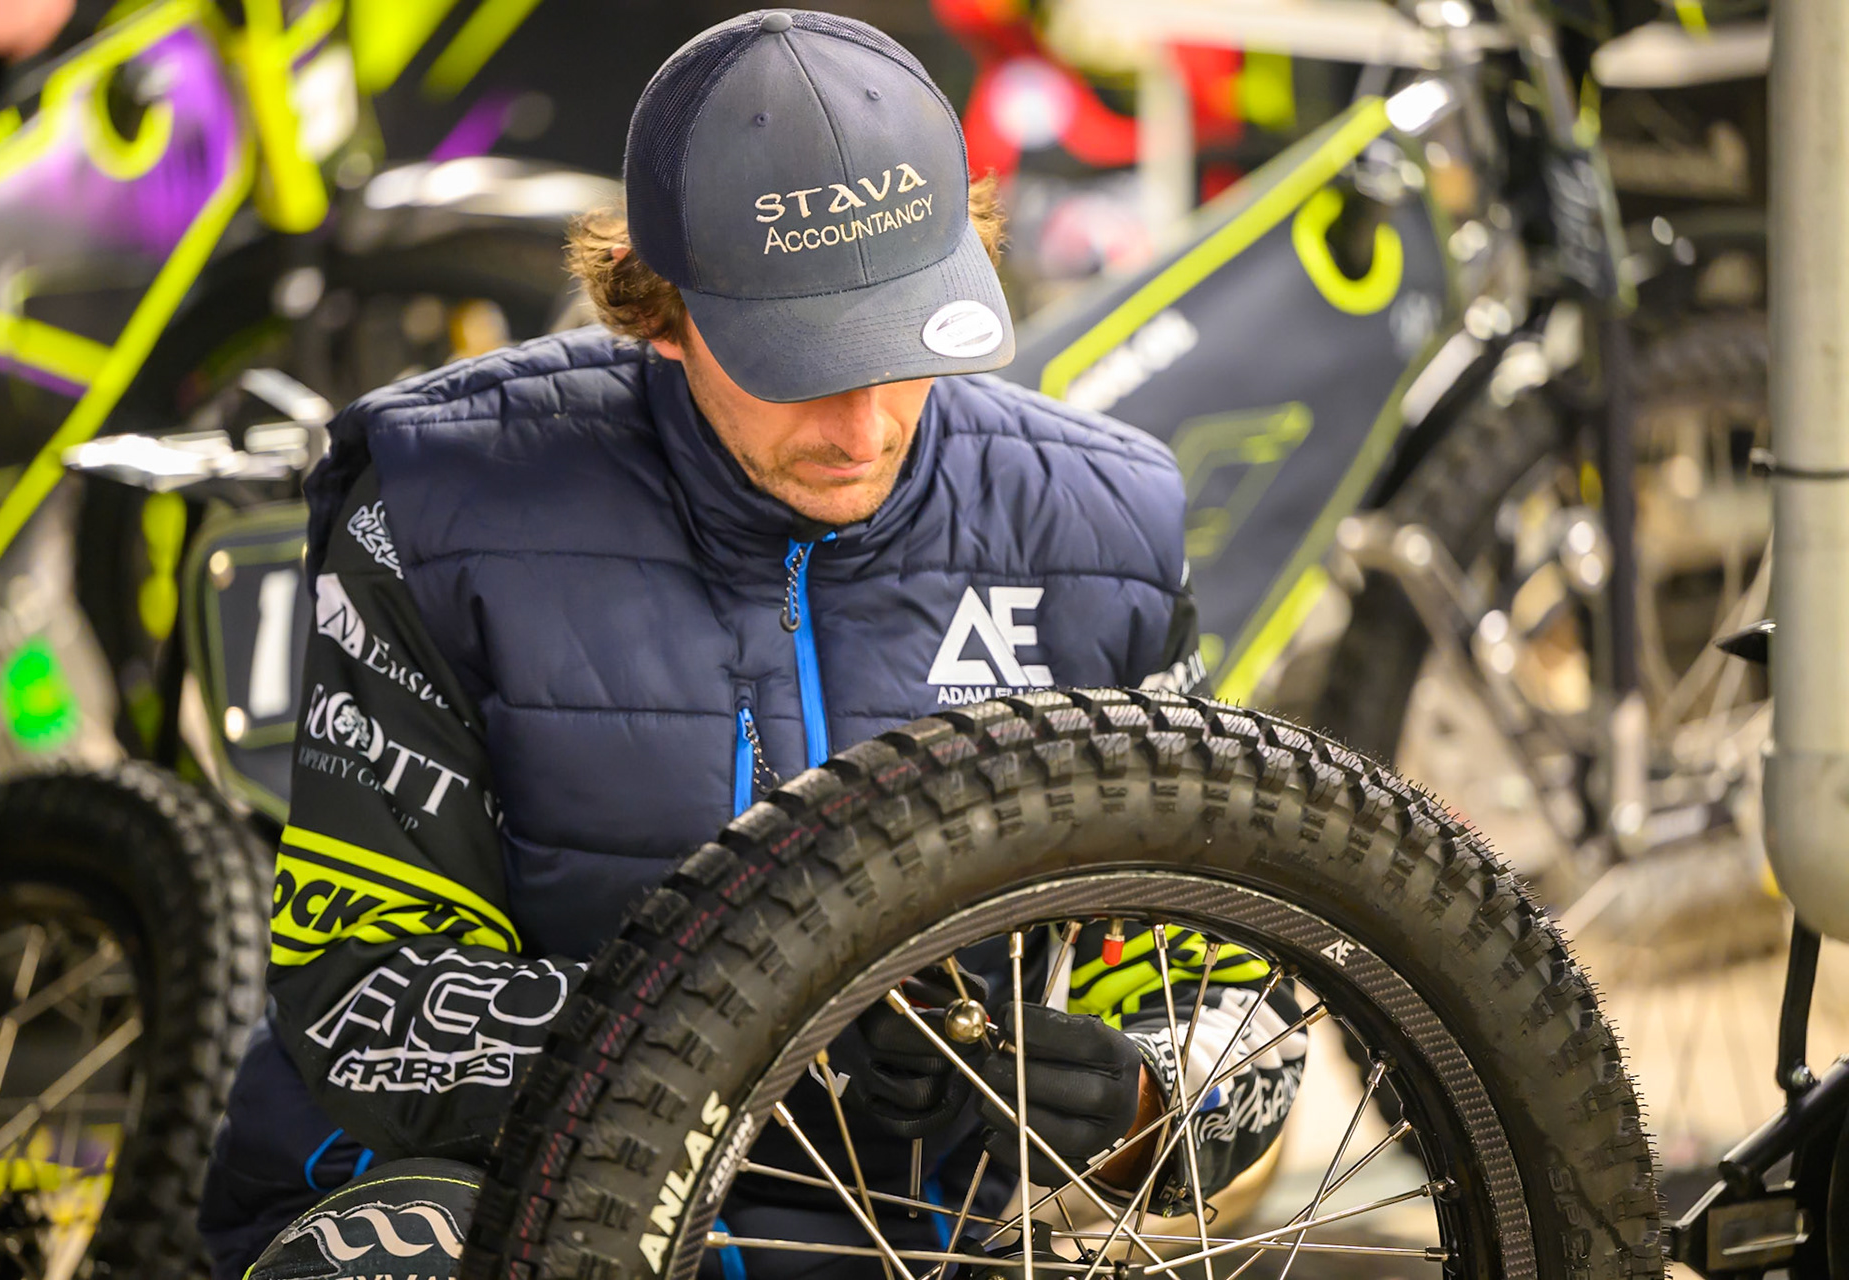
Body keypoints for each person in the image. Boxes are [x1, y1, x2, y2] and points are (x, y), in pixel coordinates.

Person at [197, 11, 1305, 1278]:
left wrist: (1142, 1097)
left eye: (906, 346)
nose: (865, 423)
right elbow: (367, 995)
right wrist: (809, 1039)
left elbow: (1245, 1003)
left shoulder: (1102, 529)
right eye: (802, 361)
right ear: (658, 306)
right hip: (498, 1217)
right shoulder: (441, 504)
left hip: (913, 1246)